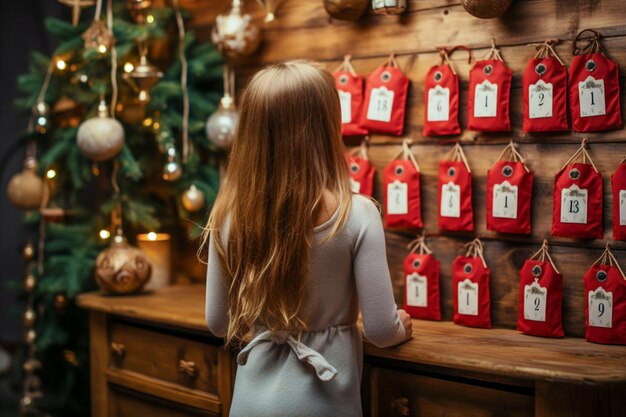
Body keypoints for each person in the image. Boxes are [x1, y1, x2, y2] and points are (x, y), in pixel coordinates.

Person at [201, 61, 412, 417]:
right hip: (324, 401)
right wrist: (400, 327)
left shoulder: (228, 216)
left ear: (250, 132)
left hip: (250, 403)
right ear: (327, 126)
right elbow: (379, 329)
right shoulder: (357, 213)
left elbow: (217, 322)